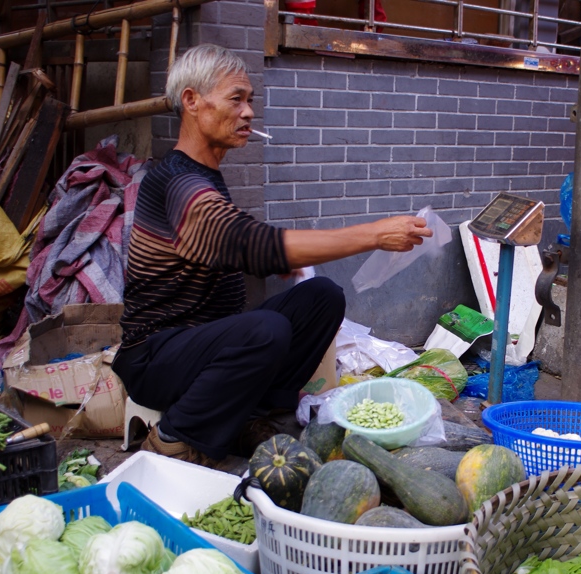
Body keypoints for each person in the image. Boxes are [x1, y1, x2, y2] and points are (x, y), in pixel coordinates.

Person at [112, 44, 431, 468]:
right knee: (266, 329)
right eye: (236, 99)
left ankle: (252, 415)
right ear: (191, 101)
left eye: (250, 101)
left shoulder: (203, 177)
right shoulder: (176, 182)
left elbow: (231, 244)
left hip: (203, 345)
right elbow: (248, 243)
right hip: (154, 359)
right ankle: (174, 438)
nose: (248, 113)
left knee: (322, 297)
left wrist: (283, 258)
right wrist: (373, 234)